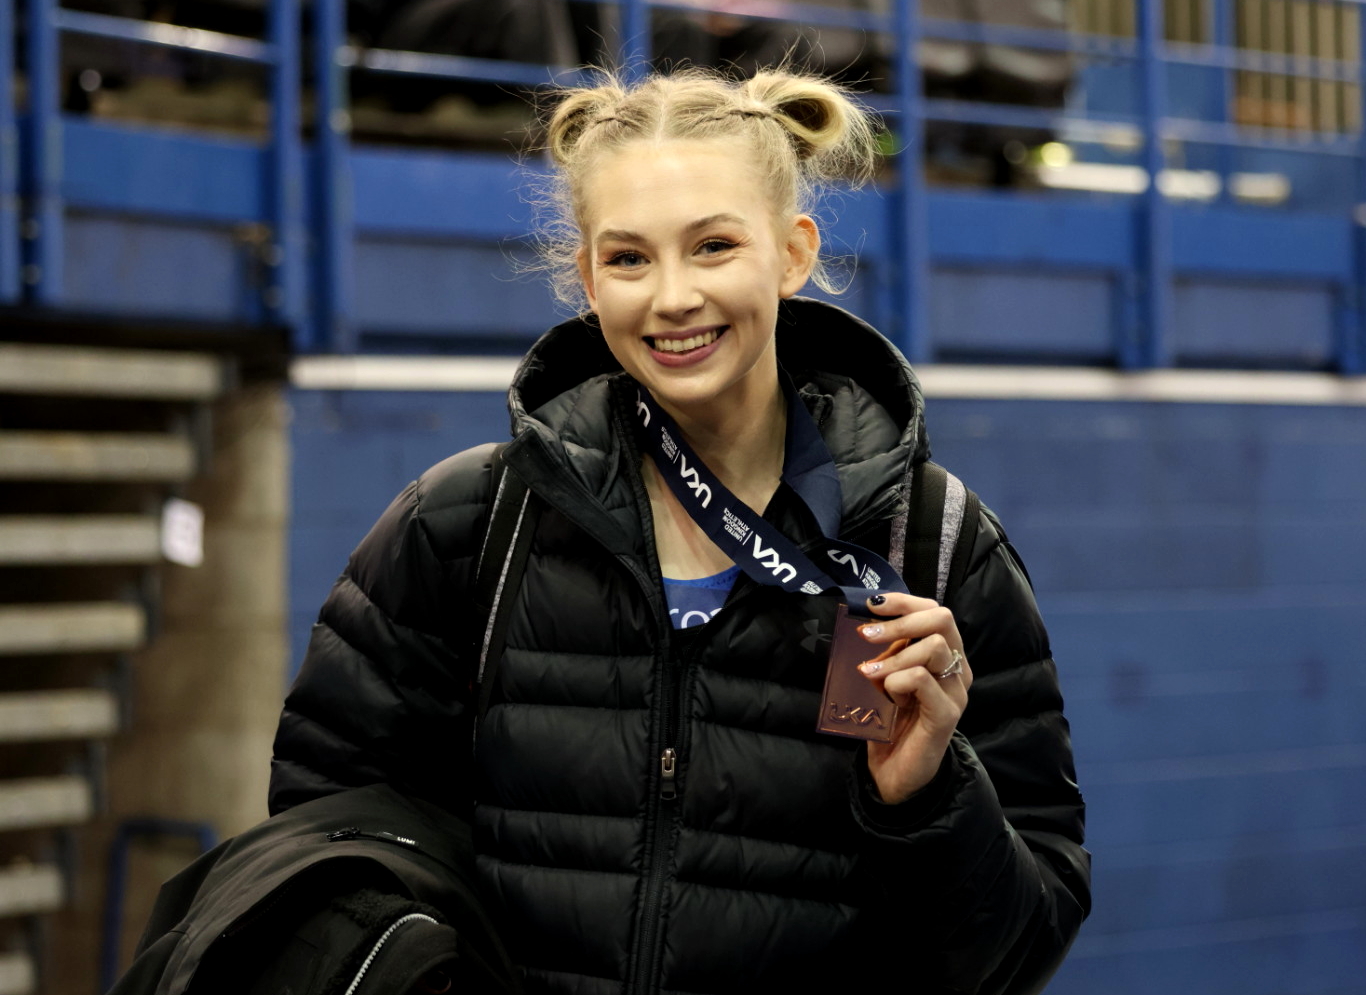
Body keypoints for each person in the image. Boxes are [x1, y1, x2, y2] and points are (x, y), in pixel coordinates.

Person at [269, 68, 1090, 994]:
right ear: (588, 281)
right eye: (628, 259)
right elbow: (325, 845)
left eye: (713, 246)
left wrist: (928, 797)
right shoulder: (468, 524)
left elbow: (1019, 949)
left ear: (792, 253)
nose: (672, 297)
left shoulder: (933, 545)